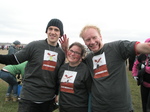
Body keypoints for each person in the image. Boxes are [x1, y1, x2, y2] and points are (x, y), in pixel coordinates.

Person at [60, 25, 150, 112]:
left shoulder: (117, 47)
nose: (92, 42)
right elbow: (74, 59)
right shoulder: (88, 59)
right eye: (88, 39)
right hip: (98, 108)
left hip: (121, 108)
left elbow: (143, 47)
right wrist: (65, 50)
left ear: (100, 36)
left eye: (94, 37)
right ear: (85, 42)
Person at [0, 18, 66, 112]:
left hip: (47, 100)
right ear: (46, 31)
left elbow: (58, 77)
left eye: (56, 30)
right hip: (28, 99)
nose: (52, 32)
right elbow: (13, 59)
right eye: (50, 29)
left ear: (60, 34)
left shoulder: (61, 53)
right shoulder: (34, 46)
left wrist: (56, 94)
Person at [58, 42, 92, 112]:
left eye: (77, 53)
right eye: (71, 51)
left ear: (81, 56)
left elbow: (90, 91)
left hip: (79, 108)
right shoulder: (62, 68)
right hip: (63, 108)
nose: (73, 54)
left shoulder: (85, 70)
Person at [132, 38, 150, 112]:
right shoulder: (142, 56)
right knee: (144, 103)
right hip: (144, 83)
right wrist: (134, 74)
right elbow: (135, 65)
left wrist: (144, 68)